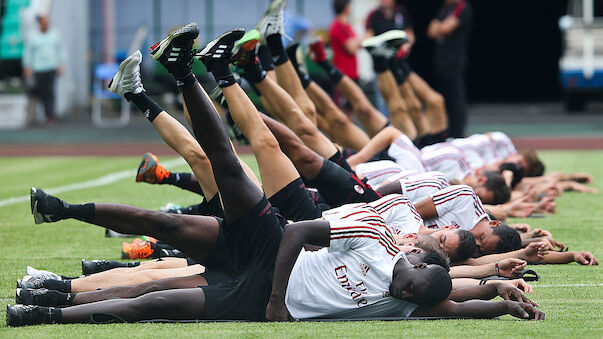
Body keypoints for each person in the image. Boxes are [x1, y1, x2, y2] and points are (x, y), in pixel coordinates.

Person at [427, 0, 473, 138]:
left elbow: (446, 28)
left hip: (454, 62)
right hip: (441, 61)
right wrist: (441, 27)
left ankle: (458, 134)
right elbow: (430, 31)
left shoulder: (462, 7)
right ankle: (446, 132)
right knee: (444, 99)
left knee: (456, 99)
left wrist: (440, 28)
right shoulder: (444, 8)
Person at [22, 14, 65, 124]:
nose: (47, 24)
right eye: (44, 22)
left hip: (51, 67)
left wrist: (61, 64)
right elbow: (28, 52)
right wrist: (27, 66)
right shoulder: (32, 35)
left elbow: (61, 50)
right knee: (40, 92)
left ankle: (50, 116)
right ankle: (40, 115)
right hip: (38, 68)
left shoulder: (55, 34)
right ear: (39, 23)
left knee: (50, 92)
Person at [329, 0, 361, 81]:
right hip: (343, 74)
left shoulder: (347, 26)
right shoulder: (337, 26)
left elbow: (357, 43)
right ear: (346, 7)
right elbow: (351, 48)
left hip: (352, 72)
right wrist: (365, 38)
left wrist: (357, 42)